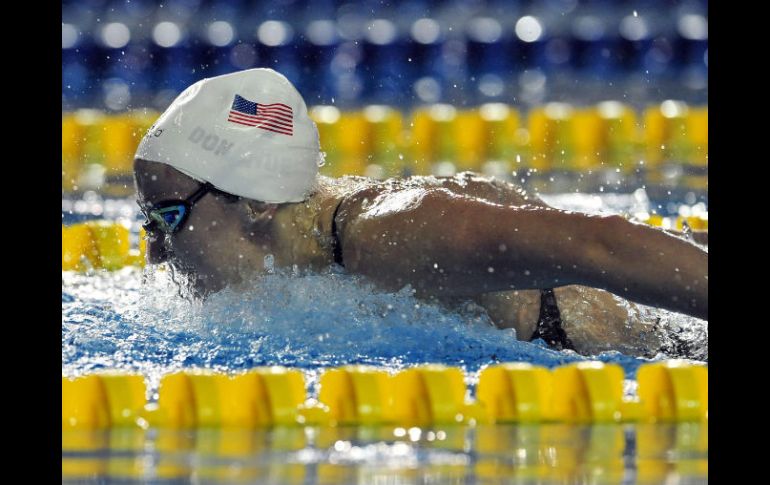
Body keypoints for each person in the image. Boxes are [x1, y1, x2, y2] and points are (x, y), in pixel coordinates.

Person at [134, 68, 708, 357]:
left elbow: (600, 246)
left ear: (256, 202)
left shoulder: (388, 234)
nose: (155, 250)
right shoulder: (310, 249)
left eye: (167, 217)